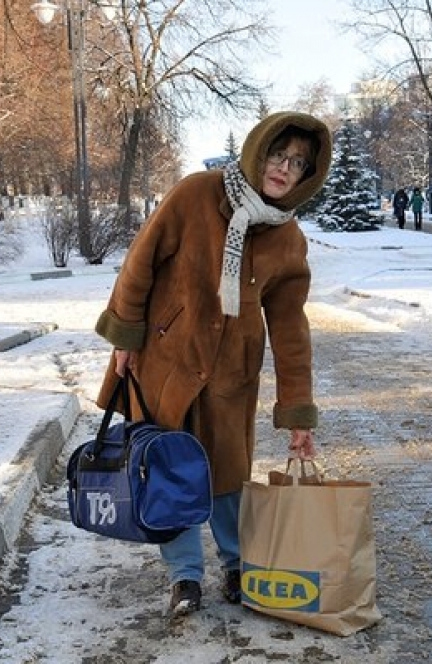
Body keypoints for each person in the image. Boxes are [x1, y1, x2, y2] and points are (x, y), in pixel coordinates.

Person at [93, 111, 332, 617]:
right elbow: (139, 263)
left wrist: (297, 415)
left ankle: (236, 564)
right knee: (169, 468)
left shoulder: (287, 239)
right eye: (278, 154)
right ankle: (184, 577)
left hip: (231, 374)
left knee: (226, 472)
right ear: (257, 150)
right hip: (166, 357)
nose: (284, 169)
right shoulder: (196, 195)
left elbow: (291, 329)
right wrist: (125, 337)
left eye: (298, 164)